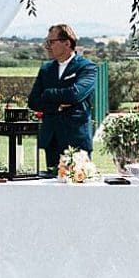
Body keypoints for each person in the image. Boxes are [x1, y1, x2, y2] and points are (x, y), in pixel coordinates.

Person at [27, 23, 98, 173]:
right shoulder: (46, 69)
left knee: (79, 187)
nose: (47, 46)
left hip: (76, 140)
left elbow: (75, 94)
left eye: (51, 42)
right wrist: (56, 106)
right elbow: (33, 101)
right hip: (52, 139)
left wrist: (47, 94)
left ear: (67, 43)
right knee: (53, 188)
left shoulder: (87, 67)